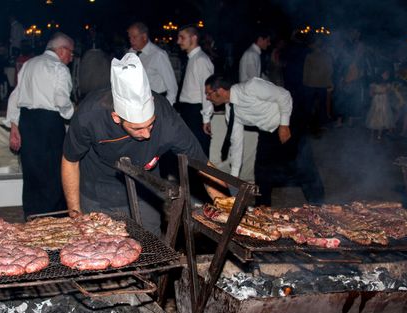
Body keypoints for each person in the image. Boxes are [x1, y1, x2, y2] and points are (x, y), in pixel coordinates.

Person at [61, 52, 225, 234]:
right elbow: (70, 161)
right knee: (101, 252)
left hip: (144, 190)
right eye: (137, 128)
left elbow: (202, 165)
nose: (147, 134)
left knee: (152, 247)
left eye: (151, 124)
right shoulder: (89, 116)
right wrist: (75, 215)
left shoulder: (167, 119)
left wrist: (226, 208)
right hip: (98, 190)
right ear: (116, 117)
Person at [205, 75, 323, 206]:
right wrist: (234, 176)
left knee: (302, 164)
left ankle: (318, 204)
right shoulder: (230, 111)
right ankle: (262, 208)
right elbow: (236, 144)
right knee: (261, 172)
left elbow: (284, 95)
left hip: (289, 123)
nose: (207, 98)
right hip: (267, 131)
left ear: (220, 90)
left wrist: (284, 125)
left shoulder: (251, 87)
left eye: (209, 94)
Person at [3, 32, 75, 218]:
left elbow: (15, 96)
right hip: (49, 123)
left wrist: (14, 126)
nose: (72, 57)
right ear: (61, 50)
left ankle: (33, 215)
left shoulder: (29, 63)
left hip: (28, 121)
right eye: (71, 53)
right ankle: (54, 217)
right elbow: (61, 100)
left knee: (32, 170)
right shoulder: (59, 68)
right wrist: (72, 112)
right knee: (53, 171)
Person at [177, 25, 214, 156]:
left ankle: (201, 176)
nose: (178, 41)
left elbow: (208, 92)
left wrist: (206, 119)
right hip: (188, 111)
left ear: (194, 38)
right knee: (189, 150)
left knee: (198, 151)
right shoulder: (193, 59)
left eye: (182, 37)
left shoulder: (201, 60)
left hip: (196, 112)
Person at [127, 22, 178, 105]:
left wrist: (166, 107)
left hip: (155, 100)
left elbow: (172, 87)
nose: (131, 40)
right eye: (130, 37)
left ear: (144, 37)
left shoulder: (158, 55)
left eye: (134, 37)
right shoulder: (131, 53)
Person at [365, 66, 395, 140]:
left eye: (387, 74)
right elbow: (370, 94)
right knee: (374, 117)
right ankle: (372, 135)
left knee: (383, 118)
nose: (387, 75)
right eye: (385, 74)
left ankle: (379, 135)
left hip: (384, 102)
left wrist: (387, 90)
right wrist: (377, 92)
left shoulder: (388, 84)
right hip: (376, 102)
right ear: (381, 74)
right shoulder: (374, 84)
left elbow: (389, 93)